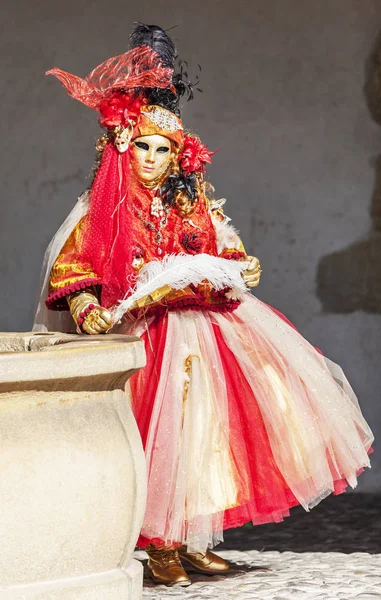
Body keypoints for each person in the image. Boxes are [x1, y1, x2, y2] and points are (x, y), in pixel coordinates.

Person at [34, 24, 374, 588]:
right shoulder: (107, 210)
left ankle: (192, 536)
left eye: (162, 149)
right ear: (122, 146)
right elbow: (77, 263)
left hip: (204, 333)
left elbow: (220, 244)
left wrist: (238, 264)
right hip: (148, 334)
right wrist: (89, 303)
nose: (150, 158)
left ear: (177, 156)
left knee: (204, 435)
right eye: (141, 145)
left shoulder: (189, 203)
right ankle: (158, 544)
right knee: (155, 438)